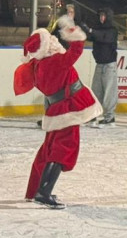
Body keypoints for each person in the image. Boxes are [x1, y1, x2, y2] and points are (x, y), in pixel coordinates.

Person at [16, 18, 103, 209]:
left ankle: (35, 190)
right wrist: (72, 31)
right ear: (47, 46)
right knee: (62, 150)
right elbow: (76, 50)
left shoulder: (38, 65)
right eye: (51, 41)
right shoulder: (55, 62)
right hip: (67, 111)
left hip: (56, 111)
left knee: (48, 151)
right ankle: (44, 192)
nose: (55, 42)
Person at [88, 7, 119, 127]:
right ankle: (93, 115)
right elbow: (91, 35)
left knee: (109, 92)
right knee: (96, 91)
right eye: (100, 15)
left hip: (109, 65)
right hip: (99, 64)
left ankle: (110, 116)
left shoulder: (112, 30)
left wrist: (91, 31)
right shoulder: (97, 29)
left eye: (104, 16)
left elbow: (104, 37)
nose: (102, 18)